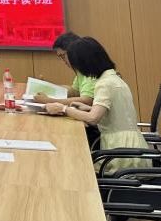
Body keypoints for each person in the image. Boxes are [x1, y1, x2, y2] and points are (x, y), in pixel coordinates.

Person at [45, 37, 149, 173]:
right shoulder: (112, 78)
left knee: (76, 167)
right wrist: (88, 108)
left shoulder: (104, 84)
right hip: (130, 147)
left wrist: (64, 109)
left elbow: (93, 118)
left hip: (121, 156)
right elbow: (113, 113)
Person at [32, 32, 95, 106]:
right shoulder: (80, 69)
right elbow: (75, 92)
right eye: (60, 57)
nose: (63, 61)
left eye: (63, 56)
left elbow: (87, 100)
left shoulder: (90, 68)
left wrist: (49, 101)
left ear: (73, 51)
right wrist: (47, 88)